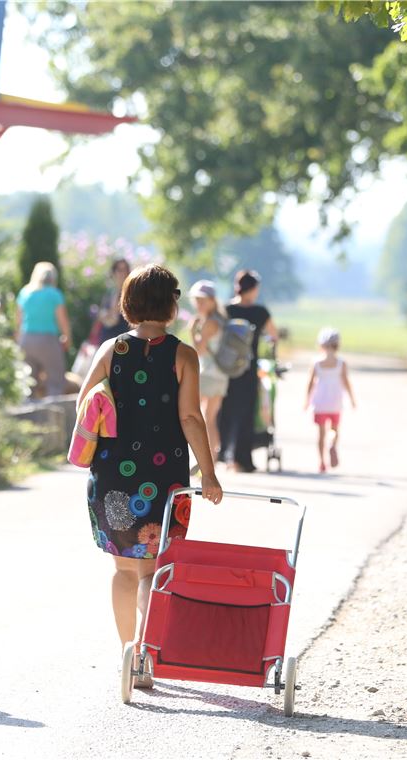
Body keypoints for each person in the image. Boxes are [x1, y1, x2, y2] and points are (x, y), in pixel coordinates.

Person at [77, 264, 223, 684]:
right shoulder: (182, 355)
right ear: (172, 305)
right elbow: (192, 418)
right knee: (151, 573)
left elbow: (84, 403)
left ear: (128, 304)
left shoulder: (110, 350)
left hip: (111, 478)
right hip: (163, 481)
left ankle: (127, 654)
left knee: (123, 571)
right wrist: (209, 474)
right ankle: (146, 655)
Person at [219, 270, 278, 473]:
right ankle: (242, 459)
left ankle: (224, 454)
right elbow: (274, 335)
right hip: (248, 368)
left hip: (226, 367)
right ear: (252, 289)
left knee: (225, 411)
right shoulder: (260, 312)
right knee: (245, 414)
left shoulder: (227, 309)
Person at [16, 261, 72, 397]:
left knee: (28, 383)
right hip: (47, 340)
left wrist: (18, 340)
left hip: (26, 340)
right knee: (55, 381)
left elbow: (18, 320)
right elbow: (62, 320)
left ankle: (26, 414)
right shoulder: (54, 294)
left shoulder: (25, 292)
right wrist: (67, 338)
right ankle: (53, 415)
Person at [305, 327, 357, 474]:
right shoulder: (341, 363)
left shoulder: (316, 363)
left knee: (320, 434)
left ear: (321, 345)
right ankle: (332, 443)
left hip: (320, 402)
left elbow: (310, 383)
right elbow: (346, 382)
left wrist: (307, 401)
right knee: (334, 430)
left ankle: (322, 462)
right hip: (335, 402)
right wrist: (352, 399)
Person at [188, 280, 228, 464]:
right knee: (209, 418)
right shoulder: (220, 320)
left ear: (212, 301)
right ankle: (211, 458)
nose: (199, 304)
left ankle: (206, 460)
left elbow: (199, 351)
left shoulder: (209, 323)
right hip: (220, 375)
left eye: (203, 300)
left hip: (207, 374)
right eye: (197, 300)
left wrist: (192, 332)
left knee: (201, 418)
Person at [97, 258, 132, 343]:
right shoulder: (110, 293)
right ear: (113, 272)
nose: (123, 273)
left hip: (124, 342)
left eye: (125, 270)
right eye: (119, 270)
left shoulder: (132, 293)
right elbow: (101, 316)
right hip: (107, 339)